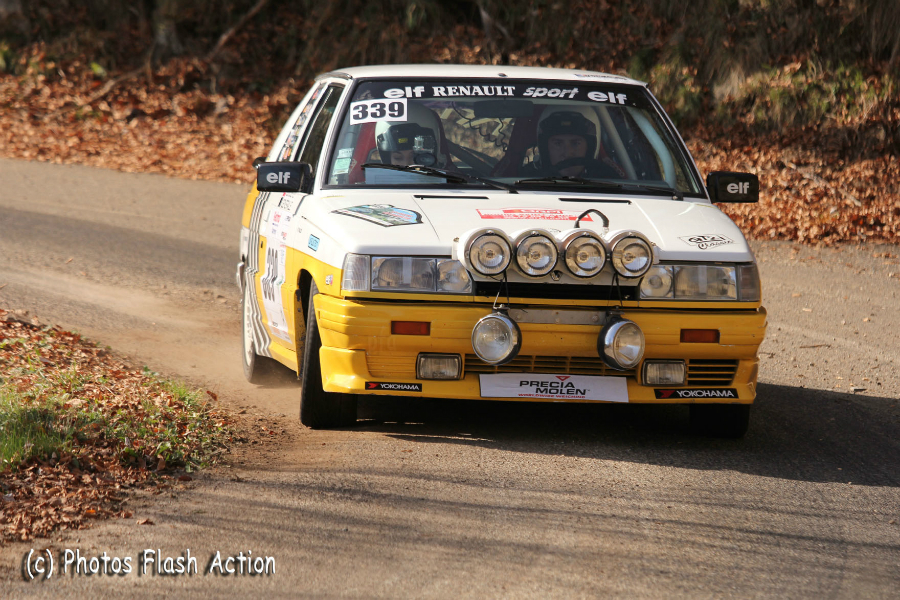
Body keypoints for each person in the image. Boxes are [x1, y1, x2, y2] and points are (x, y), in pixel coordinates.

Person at [529, 109, 624, 179]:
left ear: (590, 147)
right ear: (545, 147)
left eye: (576, 143)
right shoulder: (526, 182)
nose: (568, 153)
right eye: (558, 143)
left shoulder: (610, 181)